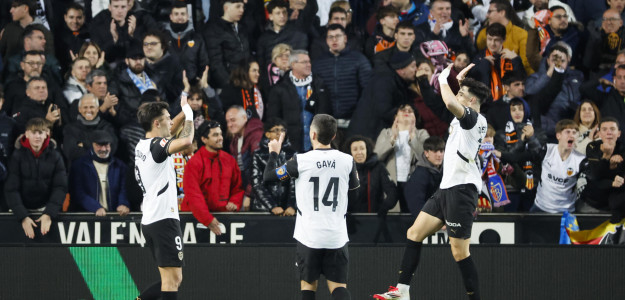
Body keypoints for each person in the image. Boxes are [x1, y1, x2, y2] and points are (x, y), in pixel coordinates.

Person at [373, 63, 489, 300]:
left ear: (472, 102)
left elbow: (448, 102)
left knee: (459, 252)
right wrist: (460, 83)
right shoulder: (463, 116)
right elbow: (444, 103)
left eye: (462, 96)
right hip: (446, 188)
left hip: (462, 190)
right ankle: (402, 292)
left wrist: (445, 78)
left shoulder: (476, 120)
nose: (458, 97)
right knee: (414, 233)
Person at [263, 114, 359, 300]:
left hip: (309, 236)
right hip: (336, 235)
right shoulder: (347, 161)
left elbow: (268, 177)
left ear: (312, 135)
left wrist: (274, 152)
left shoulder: (300, 161)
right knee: (338, 287)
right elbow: (355, 192)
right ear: (333, 136)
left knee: (308, 289)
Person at [134, 94, 195, 300]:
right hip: (163, 219)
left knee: (173, 279)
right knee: (171, 281)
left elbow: (169, 129)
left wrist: (182, 109)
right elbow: (186, 140)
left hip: (152, 219)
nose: (172, 121)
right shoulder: (156, 148)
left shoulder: (142, 145)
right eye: (168, 118)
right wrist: (189, 114)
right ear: (157, 122)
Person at [4, 118, 66, 240]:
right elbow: (11, 189)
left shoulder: (56, 156)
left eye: (41, 132)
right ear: (26, 134)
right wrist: (23, 216)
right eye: (33, 132)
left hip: (46, 211)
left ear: (46, 134)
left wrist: (49, 213)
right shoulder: (16, 156)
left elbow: (60, 187)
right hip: (21, 211)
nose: (37, 136)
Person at [183, 120, 244, 231]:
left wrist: (235, 202)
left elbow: (238, 188)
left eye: (220, 134)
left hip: (224, 218)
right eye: (215, 135)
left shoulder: (229, 160)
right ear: (204, 139)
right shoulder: (194, 163)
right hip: (194, 220)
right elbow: (193, 195)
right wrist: (207, 219)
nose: (220, 138)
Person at [266, 50, 331, 152]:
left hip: (315, 145)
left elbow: (326, 113)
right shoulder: (279, 88)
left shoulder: (319, 85)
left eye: (309, 62)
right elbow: (273, 119)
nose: (308, 65)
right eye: (304, 62)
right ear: (293, 64)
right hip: (289, 146)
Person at [312, 24, 372, 134]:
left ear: (345, 38)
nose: (334, 40)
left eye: (338, 36)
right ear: (326, 40)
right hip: (326, 124)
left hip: (354, 121)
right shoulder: (318, 63)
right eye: (330, 37)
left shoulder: (359, 60)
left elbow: (368, 91)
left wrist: (360, 115)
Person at [493, 98, 546, 212]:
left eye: (520, 109)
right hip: (511, 188)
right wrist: (522, 141)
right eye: (513, 110)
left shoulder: (539, 132)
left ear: (526, 111)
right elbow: (506, 157)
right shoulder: (501, 135)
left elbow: (539, 156)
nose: (517, 112)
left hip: (534, 186)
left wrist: (531, 137)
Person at [348, 51, 416, 140]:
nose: (416, 69)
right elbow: (383, 111)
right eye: (412, 66)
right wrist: (406, 113)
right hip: (367, 136)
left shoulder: (396, 81)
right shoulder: (384, 82)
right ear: (401, 70)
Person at [374, 103, 429, 212]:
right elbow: (377, 156)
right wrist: (393, 138)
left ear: (415, 117)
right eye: (403, 110)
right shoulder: (386, 133)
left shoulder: (422, 134)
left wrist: (413, 137)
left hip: (413, 183)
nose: (407, 112)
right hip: (392, 184)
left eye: (410, 111)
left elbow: (426, 158)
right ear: (395, 117)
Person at [525, 43, 583, 140]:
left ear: (568, 61)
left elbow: (577, 99)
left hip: (567, 124)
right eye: (554, 60)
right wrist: (550, 73)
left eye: (562, 60)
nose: (558, 64)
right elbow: (530, 91)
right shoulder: (536, 77)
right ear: (547, 60)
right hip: (544, 127)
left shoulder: (574, 78)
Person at [530, 119, 585, 213]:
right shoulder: (547, 150)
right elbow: (524, 157)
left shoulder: (581, 160)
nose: (571, 135)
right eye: (568, 132)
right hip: (540, 208)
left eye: (574, 132)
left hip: (566, 212)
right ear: (558, 135)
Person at [69, 130, 129, 215]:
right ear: (92, 145)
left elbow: (124, 190)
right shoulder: (79, 165)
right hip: (86, 217)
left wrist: (123, 203)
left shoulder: (120, 166)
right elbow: (78, 192)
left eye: (106, 145)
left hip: (114, 217)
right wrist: (95, 207)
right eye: (99, 145)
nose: (103, 149)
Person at [577, 117, 623, 214]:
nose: (609, 132)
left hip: (615, 203)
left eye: (612, 129)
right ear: (600, 133)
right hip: (591, 202)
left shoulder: (623, 149)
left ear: (619, 133)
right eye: (604, 129)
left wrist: (612, 169)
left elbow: (621, 180)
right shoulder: (592, 147)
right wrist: (606, 156)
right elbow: (595, 176)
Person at [251, 118, 296, 214]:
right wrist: (272, 206)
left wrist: (292, 205)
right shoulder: (258, 155)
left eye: (283, 130)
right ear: (267, 134)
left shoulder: (293, 154)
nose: (280, 133)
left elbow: (295, 183)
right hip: (263, 210)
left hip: (287, 210)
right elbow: (257, 184)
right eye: (276, 130)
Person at [202, 0, 250, 89]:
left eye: (243, 7)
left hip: (245, 82)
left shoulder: (243, 29)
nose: (242, 10)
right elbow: (215, 63)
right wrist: (228, 85)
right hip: (228, 86)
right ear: (226, 8)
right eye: (238, 7)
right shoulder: (213, 30)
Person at [471, 23, 525, 101]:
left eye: (496, 40)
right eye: (489, 39)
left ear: (504, 39)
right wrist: (483, 63)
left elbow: (520, 80)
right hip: (486, 105)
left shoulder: (511, 57)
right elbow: (472, 80)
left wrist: (516, 59)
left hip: (509, 102)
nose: (492, 44)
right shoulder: (479, 57)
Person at [476, 0, 532, 75]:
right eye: (490, 39)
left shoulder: (521, 34)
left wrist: (514, 59)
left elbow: (526, 65)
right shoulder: (483, 33)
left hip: (515, 79)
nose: (487, 15)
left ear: (502, 12)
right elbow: (477, 57)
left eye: (490, 12)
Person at [343, 135, 396, 214]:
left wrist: (384, 208)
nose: (359, 152)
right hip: (351, 221)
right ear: (350, 152)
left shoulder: (378, 167)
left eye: (362, 148)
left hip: (374, 219)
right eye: (355, 149)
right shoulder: (345, 170)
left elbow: (393, 191)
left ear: (367, 150)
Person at [225, 105, 263, 211]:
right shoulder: (235, 140)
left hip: (257, 193)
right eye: (227, 121)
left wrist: (249, 195)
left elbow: (258, 168)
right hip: (246, 190)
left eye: (233, 120)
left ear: (245, 118)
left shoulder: (256, 135)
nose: (230, 124)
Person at [162, 1, 209, 83]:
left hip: (192, 87)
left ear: (187, 16)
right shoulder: (162, 38)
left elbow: (204, 65)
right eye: (176, 14)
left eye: (183, 14)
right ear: (171, 17)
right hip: (169, 89)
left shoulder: (197, 38)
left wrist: (198, 84)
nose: (180, 17)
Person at [63, 93, 117, 163]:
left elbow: (111, 150)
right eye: (85, 107)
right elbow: (71, 153)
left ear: (97, 109)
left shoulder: (107, 127)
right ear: (79, 109)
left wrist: (83, 144)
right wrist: (98, 147)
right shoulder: (70, 129)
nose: (88, 110)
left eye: (92, 107)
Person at [256, 0, 307, 69]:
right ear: (271, 16)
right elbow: (261, 63)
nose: (282, 16)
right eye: (278, 13)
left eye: (284, 12)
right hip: (272, 75)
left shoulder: (296, 31)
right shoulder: (263, 39)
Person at [142, 30, 184, 112]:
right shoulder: (137, 65)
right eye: (145, 44)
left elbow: (176, 94)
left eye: (153, 44)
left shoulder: (174, 64)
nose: (149, 47)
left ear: (163, 46)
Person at [404, 136, 445, 217]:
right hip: (422, 222)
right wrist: (433, 222)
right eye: (435, 151)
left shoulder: (447, 170)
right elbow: (416, 204)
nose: (439, 155)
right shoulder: (419, 174)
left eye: (441, 151)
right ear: (426, 153)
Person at [54, 3, 90, 74]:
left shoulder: (91, 32)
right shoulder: (57, 35)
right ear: (65, 18)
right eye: (71, 17)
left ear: (84, 18)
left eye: (79, 18)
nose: (75, 21)